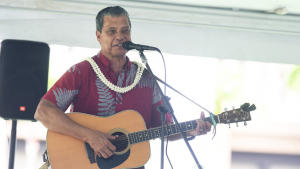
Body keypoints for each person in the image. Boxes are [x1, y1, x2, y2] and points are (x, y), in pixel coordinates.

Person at [34, 6, 212, 169]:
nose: (120, 36)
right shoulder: (81, 72)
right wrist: (89, 136)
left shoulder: (146, 78)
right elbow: (43, 112)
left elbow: (163, 129)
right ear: (98, 36)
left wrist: (189, 130)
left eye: (125, 30)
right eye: (112, 31)